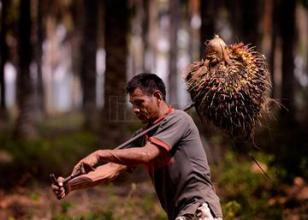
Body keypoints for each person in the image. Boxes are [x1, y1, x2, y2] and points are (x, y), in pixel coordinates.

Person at [51, 73, 223, 220]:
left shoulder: (178, 119)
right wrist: (71, 185)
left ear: (158, 96)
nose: (134, 109)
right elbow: (110, 170)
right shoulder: (143, 135)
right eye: (132, 104)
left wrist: (100, 154)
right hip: (180, 212)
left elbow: (147, 154)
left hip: (199, 207)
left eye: (139, 102)